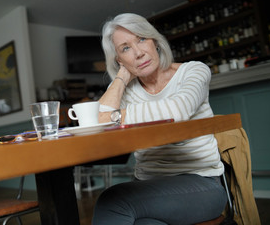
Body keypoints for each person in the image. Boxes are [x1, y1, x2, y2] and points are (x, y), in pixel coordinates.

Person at [93, 13, 227, 225]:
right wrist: (120, 78)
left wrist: (113, 117)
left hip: (201, 184)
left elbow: (177, 111)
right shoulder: (125, 89)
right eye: (125, 48)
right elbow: (96, 122)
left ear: (154, 40)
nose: (138, 53)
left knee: (113, 201)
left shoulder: (194, 71)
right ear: (120, 60)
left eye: (141, 39)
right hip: (148, 185)